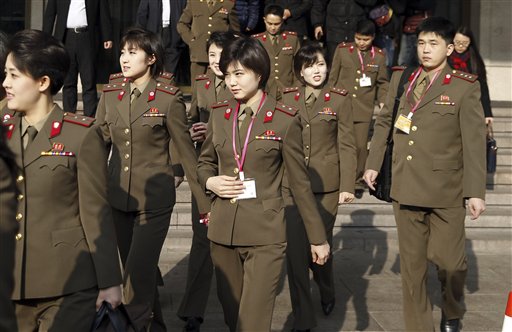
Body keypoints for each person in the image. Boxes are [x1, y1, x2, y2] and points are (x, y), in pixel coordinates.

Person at [197, 36, 330, 332]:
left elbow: (299, 183)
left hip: (265, 233)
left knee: (252, 322)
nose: (231, 81)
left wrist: (317, 238)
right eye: (228, 73)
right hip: (223, 232)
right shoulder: (220, 114)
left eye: (239, 73)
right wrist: (210, 181)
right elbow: (204, 162)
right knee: (233, 317)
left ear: (259, 73)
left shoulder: (284, 119)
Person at [363, 17, 486, 331]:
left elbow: (474, 143)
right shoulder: (403, 78)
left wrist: (475, 192)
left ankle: (452, 308)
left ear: (448, 48)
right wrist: (373, 163)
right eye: (421, 43)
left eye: (433, 44)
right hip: (405, 185)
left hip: (446, 188)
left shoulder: (464, 85)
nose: (426, 50)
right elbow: (385, 123)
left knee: (450, 263)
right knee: (413, 269)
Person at [1, 29, 122, 331]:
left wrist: (110, 282)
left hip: (68, 284)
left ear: (43, 82)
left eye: (14, 76)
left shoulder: (81, 135)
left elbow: (96, 212)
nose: (5, 84)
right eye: (6, 74)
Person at [95, 27, 210, 331]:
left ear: (151, 58)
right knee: (138, 274)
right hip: (118, 196)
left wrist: (204, 205)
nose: (124, 58)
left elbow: (186, 154)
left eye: (133, 52)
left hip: (155, 199)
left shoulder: (168, 99)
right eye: (122, 51)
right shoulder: (110, 96)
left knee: (136, 274)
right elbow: (96, 146)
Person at [279, 42, 357, 332]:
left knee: (319, 249)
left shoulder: (338, 99)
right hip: (291, 186)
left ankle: (326, 288)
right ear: (300, 71)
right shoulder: (286, 98)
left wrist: (348, 184)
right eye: (310, 65)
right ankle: (303, 318)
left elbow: (347, 145)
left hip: (327, 189)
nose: (316, 70)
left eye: (321, 64)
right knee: (296, 253)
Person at [176, 30, 237, 332]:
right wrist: (194, 130)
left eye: (220, 55)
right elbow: (188, 120)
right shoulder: (201, 84)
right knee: (201, 241)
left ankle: (240, 311)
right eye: (211, 55)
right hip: (205, 170)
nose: (215, 61)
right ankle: (193, 311)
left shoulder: (243, 84)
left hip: (235, 173)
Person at [328, 20, 389, 198]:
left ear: (373, 38)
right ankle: (340, 179)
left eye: (365, 39)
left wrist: (383, 100)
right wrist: (328, 99)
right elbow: (333, 77)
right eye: (358, 38)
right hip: (341, 105)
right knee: (341, 144)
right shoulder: (343, 50)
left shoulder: (378, 56)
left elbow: (383, 82)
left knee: (361, 146)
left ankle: (355, 181)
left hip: (364, 107)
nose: (361, 42)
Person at [42, 0, 113, 117]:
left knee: (89, 81)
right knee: (68, 82)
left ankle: (90, 118)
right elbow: (50, 14)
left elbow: (103, 13)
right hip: (66, 38)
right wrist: (45, 38)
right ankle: (69, 116)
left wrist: (107, 36)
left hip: (87, 37)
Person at [177, 0, 240, 86]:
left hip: (220, 56)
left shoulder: (228, 4)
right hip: (199, 53)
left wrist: (228, 45)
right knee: (197, 89)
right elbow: (182, 24)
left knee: (219, 86)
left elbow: (236, 31)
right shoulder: (194, 2)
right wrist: (191, 40)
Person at [252, 4, 300, 98]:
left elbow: (297, 66)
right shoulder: (256, 40)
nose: (273, 27)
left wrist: (296, 87)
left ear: (282, 21)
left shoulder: (292, 39)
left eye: (276, 24)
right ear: (264, 20)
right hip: (265, 90)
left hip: (287, 90)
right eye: (269, 23)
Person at [448, 26, 493, 124]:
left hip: (469, 106)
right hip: (448, 105)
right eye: (457, 42)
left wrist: (487, 113)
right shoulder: (445, 59)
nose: (460, 46)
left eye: (464, 43)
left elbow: (483, 87)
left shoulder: (474, 60)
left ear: (470, 43)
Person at [311, 0, 377, 63]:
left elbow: (371, 2)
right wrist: (317, 24)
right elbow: (319, 3)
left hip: (357, 32)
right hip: (334, 31)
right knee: (334, 63)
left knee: (356, 64)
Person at [136, 0, 188, 75]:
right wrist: (141, 36)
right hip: (154, 32)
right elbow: (141, 17)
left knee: (170, 66)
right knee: (154, 61)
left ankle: (167, 83)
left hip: (173, 32)